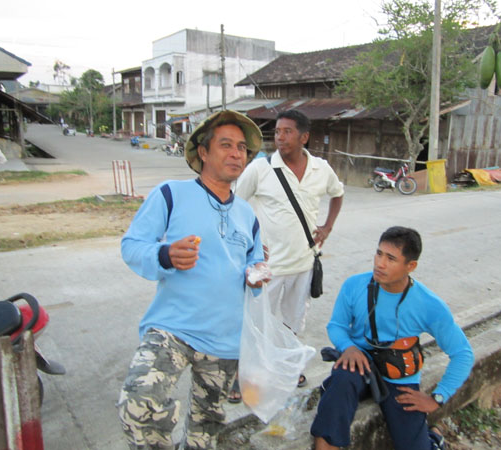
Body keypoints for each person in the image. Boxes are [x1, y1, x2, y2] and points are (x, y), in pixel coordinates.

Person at [117, 110, 268, 450]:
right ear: (203, 152)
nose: (236, 154)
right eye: (226, 145)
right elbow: (132, 246)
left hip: (225, 341)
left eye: (242, 148)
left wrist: (257, 276)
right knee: (137, 405)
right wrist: (165, 254)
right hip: (172, 329)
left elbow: (254, 262)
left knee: (205, 432)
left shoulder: (247, 214)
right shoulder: (171, 194)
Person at [310, 226, 474, 450]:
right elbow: (337, 325)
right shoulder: (355, 285)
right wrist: (348, 347)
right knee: (338, 389)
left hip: (400, 376)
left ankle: (434, 437)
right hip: (358, 364)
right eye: (378, 254)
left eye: (390, 258)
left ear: (411, 266)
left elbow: (462, 353)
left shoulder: (429, 305)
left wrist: (437, 398)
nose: (380, 263)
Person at [234, 109, 344, 399]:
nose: (279, 137)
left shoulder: (321, 169)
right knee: (257, 324)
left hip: (305, 263)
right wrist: (248, 242)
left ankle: (290, 369)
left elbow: (338, 193)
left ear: (304, 136)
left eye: (287, 131)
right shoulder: (260, 169)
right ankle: (247, 377)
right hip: (268, 266)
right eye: (277, 131)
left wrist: (327, 227)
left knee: (294, 322)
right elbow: (235, 206)